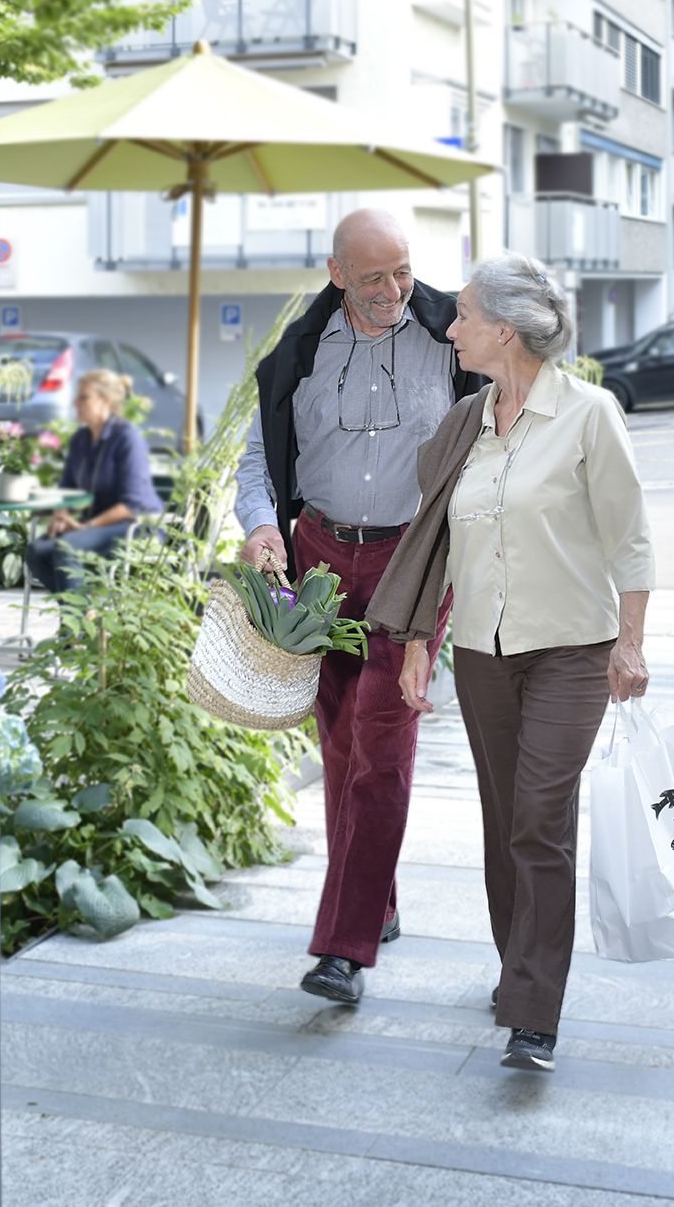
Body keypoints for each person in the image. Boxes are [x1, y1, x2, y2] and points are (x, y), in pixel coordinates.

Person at [368, 252, 655, 1073]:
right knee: (505, 822)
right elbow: (434, 544)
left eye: (461, 315)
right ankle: (516, 970)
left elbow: (630, 536)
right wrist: (421, 641)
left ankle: (535, 1011)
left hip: (572, 650)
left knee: (539, 815)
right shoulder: (467, 421)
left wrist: (630, 642)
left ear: (504, 329)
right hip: (484, 652)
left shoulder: (590, 414)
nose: (449, 327)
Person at [234, 207, 486, 1005]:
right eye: (373, 276)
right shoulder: (300, 352)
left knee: (383, 738)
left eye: (403, 270)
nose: (393, 290)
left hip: (412, 556)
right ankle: (378, 900)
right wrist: (263, 528)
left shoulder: (453, 340)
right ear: (337, 272)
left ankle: (342, 949)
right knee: (340, 741)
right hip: (318, 556)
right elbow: (256, 461)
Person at [23, 369, 162, 593]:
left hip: (134, 527)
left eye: (83, 397)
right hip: (95, 526)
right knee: (36, 551)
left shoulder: (127, 438)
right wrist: (61, 517)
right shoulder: (81, 439)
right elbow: (66, 489)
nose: (75, 403)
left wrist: (84, 527)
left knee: (68, 547)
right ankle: (85, 616)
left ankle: (76, 625)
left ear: (105, 400)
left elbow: (131, 505)